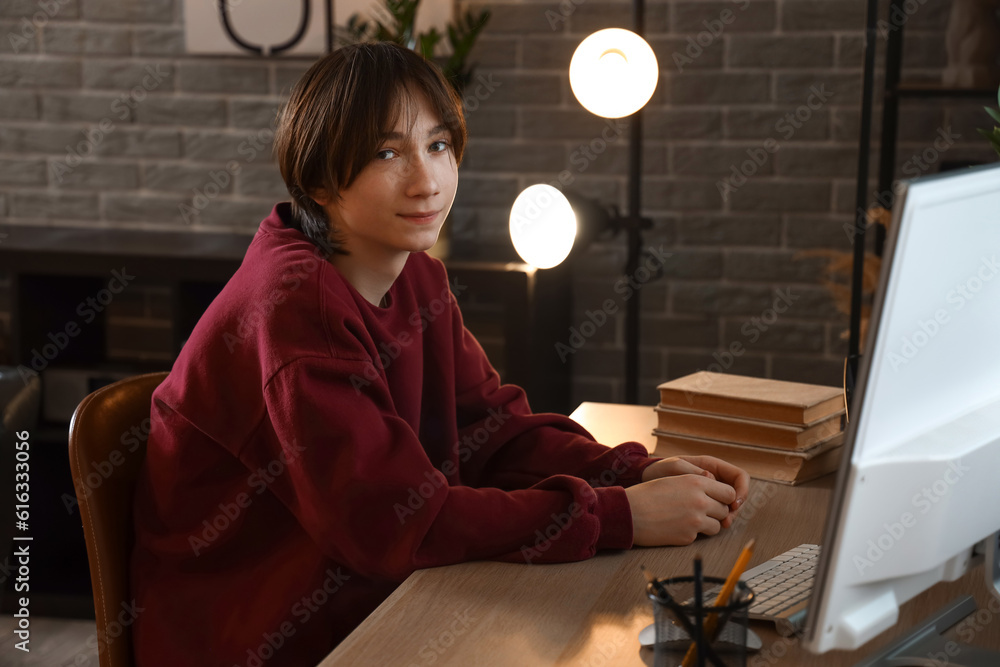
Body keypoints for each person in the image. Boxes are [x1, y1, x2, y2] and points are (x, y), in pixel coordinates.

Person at [129, 42, 750, 667]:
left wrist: (630, 472)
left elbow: (492, 432)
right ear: (318, 179)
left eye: (438, 146)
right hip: (262, 631)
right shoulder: (297, 308)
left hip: (372, 597)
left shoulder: (417, 275)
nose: (426, 181)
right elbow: (394, 526)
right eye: (386, 152)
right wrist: (617, 518)